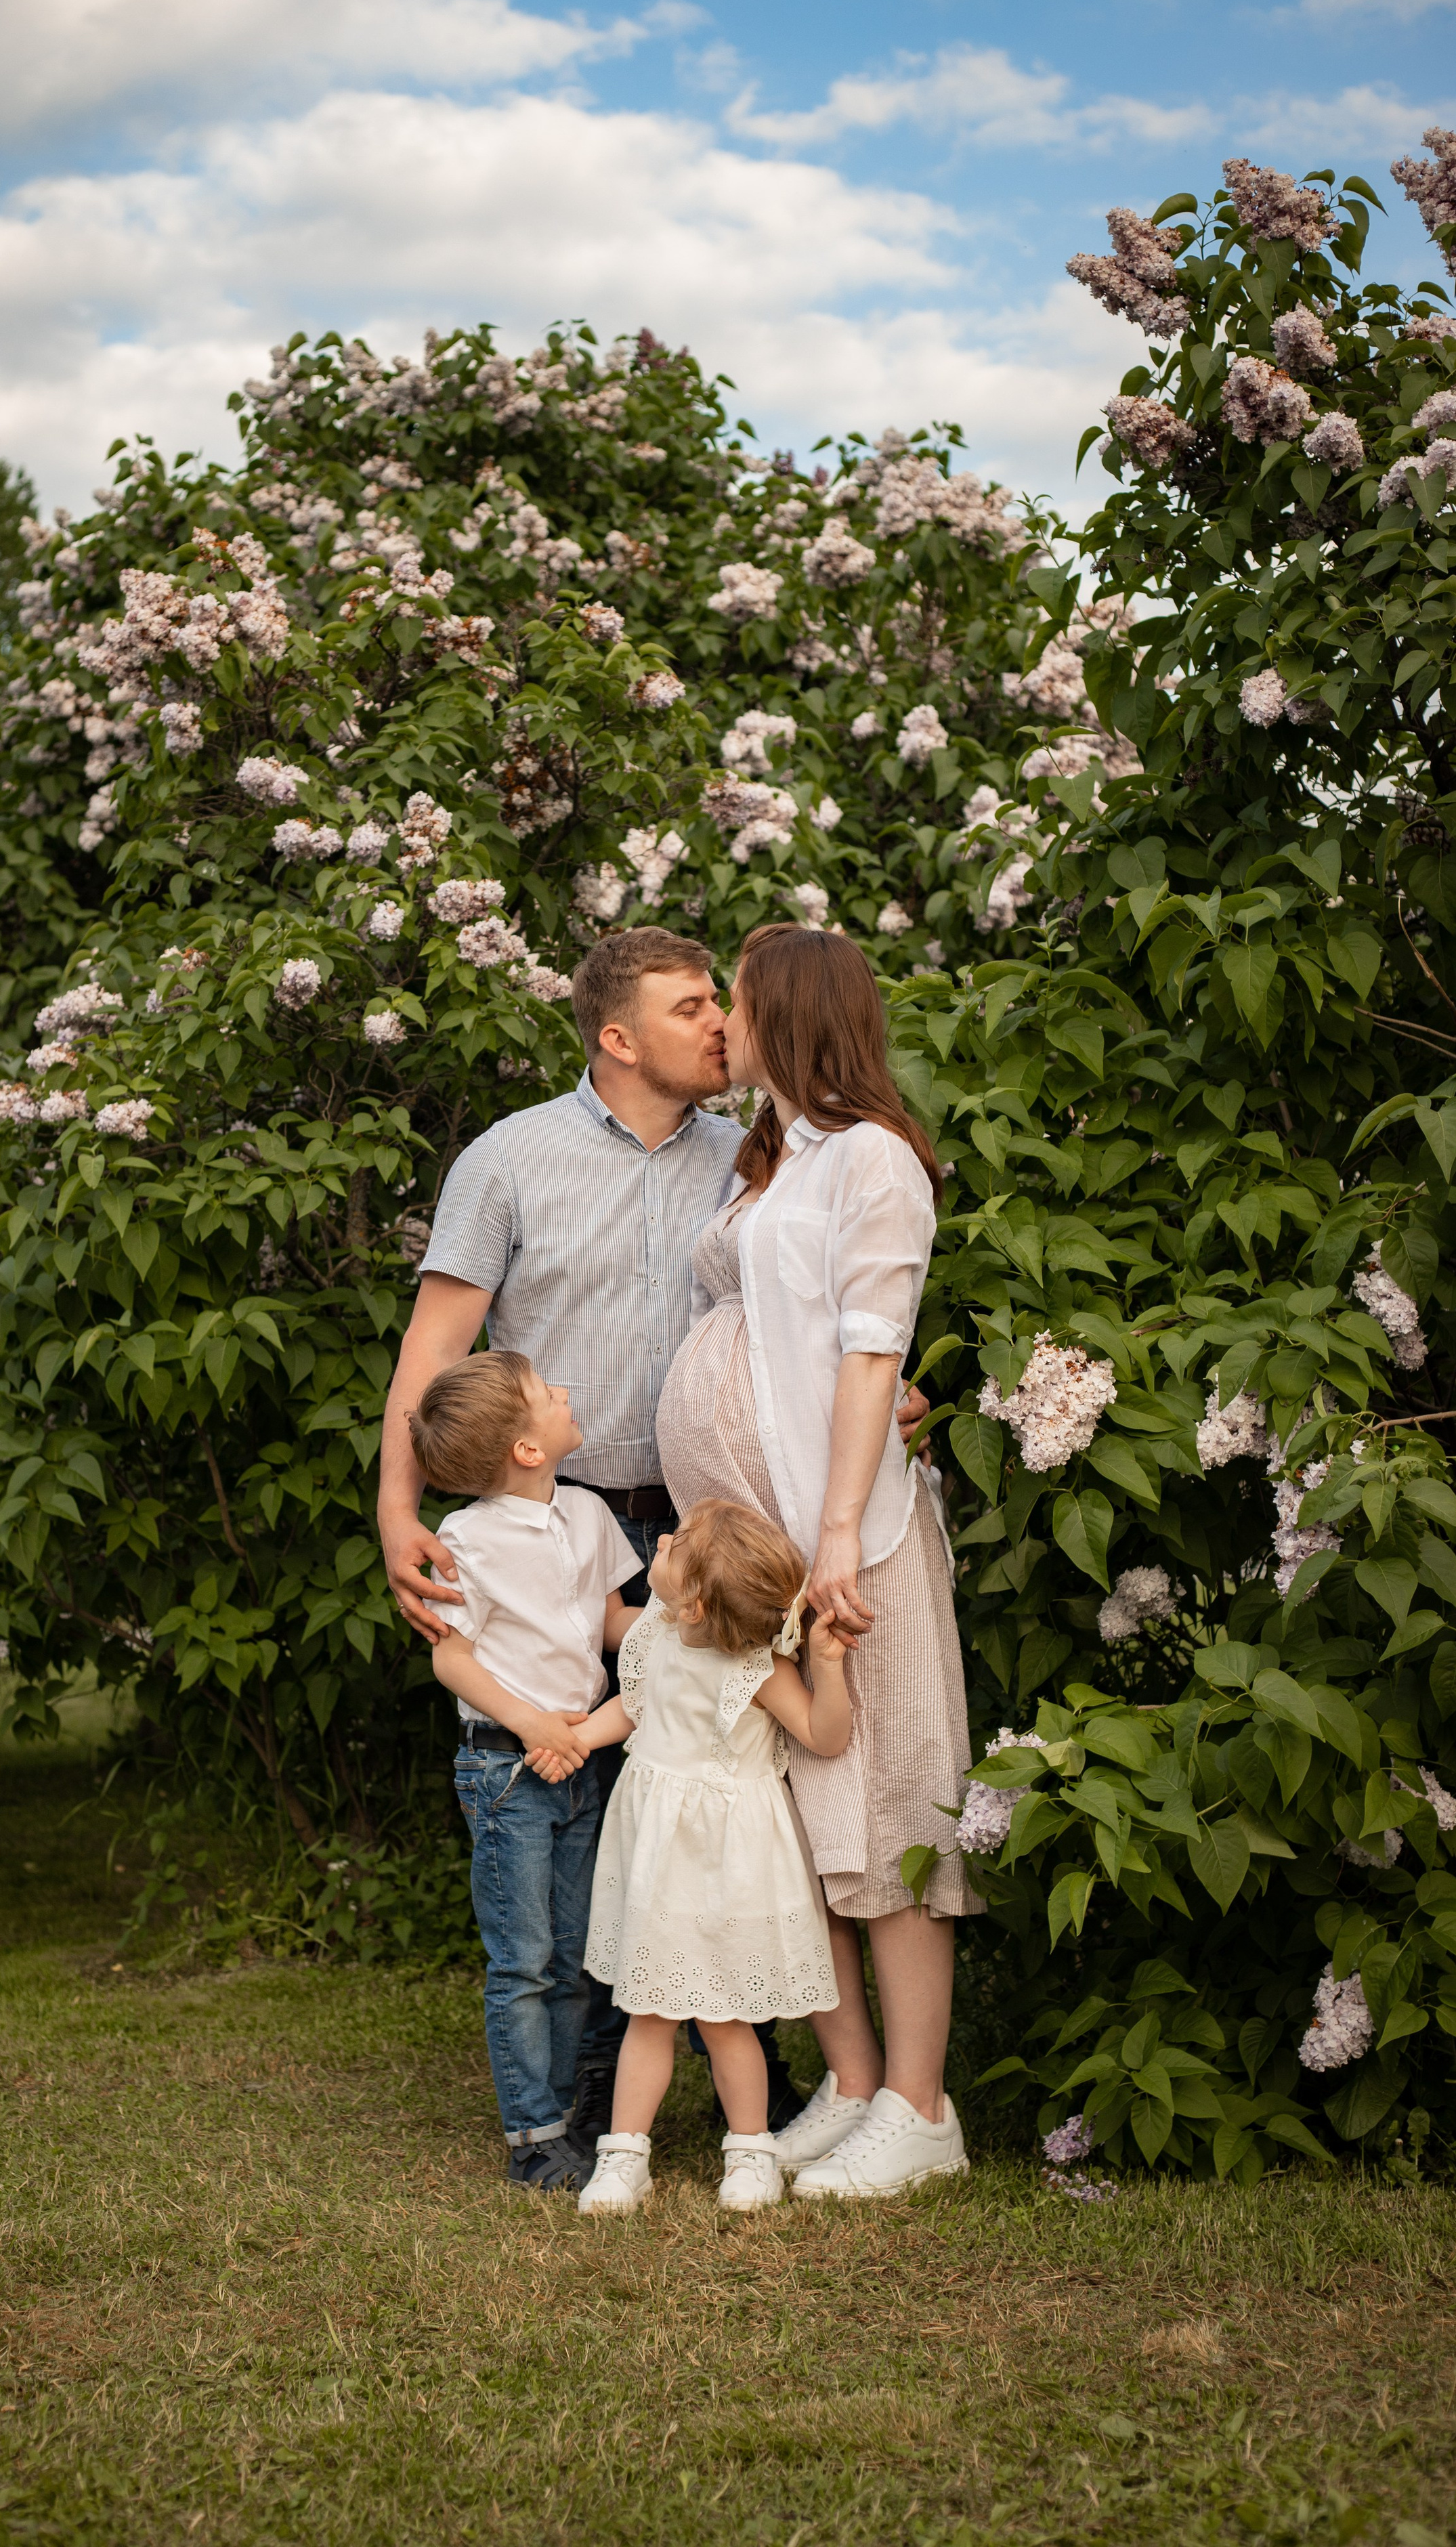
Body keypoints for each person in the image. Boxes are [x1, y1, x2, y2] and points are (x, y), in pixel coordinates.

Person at [381, 927, 912, 2139]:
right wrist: (398, 1510)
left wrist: (887, 1397)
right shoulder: (509, 1160)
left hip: (706, 1520)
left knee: (728, 1792)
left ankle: (753, 2085)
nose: (722, 1023)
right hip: (555, 1522)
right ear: (617, 1038)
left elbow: (823, 1309)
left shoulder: (754, 1154)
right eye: (691, 1007)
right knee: (582, 1807)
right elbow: (434, 1348)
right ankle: (582, 2102)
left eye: (720, 1002)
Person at [655, 920, 980, 2202]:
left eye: (733, 1003)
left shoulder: (873, 1160)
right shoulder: (778, 1156)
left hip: (848, 1540)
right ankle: (853, 2086)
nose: (721, 1026)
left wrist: (840, 1528)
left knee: (886, 1812)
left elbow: (869, 1348)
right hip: (765, 1540)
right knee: (794, 1820)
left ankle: (921, 2107)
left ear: (787, 1011)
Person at [572, 1501, 853, 2217]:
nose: (662, 1539)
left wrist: (826, 1666)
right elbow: (635, 1708)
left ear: (696, 1601)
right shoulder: (655, 1632)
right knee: (648, 2009)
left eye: (675, 1545)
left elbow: (823, 1736)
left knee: (725, 2016)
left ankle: (751, 2150)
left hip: (731, 1860)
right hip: (658, 1855)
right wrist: (576, 1737)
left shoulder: (757, 1669)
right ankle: (625, 2155)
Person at [409, 1348, 645, 2191]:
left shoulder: (586, 1513)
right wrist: (535, 1724)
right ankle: (533, 2140)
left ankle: (569, 2115)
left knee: (575, 1953)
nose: (566, 1391)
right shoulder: (465, 1541)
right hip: (507, 1772)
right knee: (525, 1959)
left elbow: (612, 1622)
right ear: (526, 1448)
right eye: (548, 1392)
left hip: (579, 1761)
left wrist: (689, 1635)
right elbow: (452, 1658)